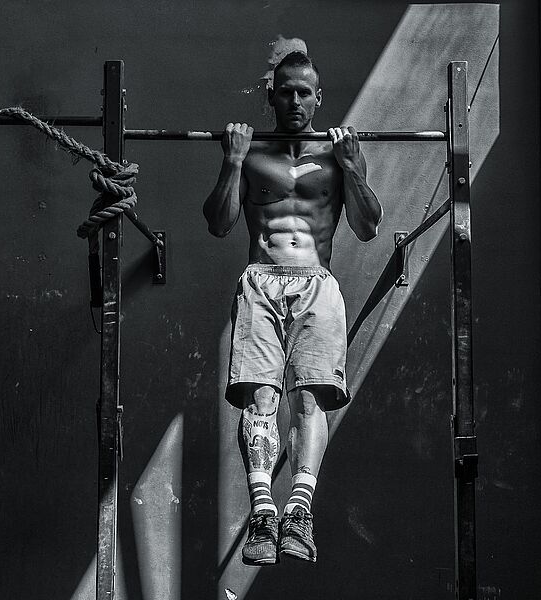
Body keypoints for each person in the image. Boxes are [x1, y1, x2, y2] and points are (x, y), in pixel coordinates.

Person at [203, 51, 382, 565]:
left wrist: (353, 171)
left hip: (318, 284)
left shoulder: (336, 155)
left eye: (306, 92)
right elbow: (219, 224)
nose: (296, 100)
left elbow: (368, 227)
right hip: (261, 279)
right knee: (261, 397)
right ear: (272, 96)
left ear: (319, 98)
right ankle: (263, 512)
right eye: (287, 91)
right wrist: (232, 160)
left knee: (309, 402)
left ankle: (298, 512)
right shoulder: (252, 152)